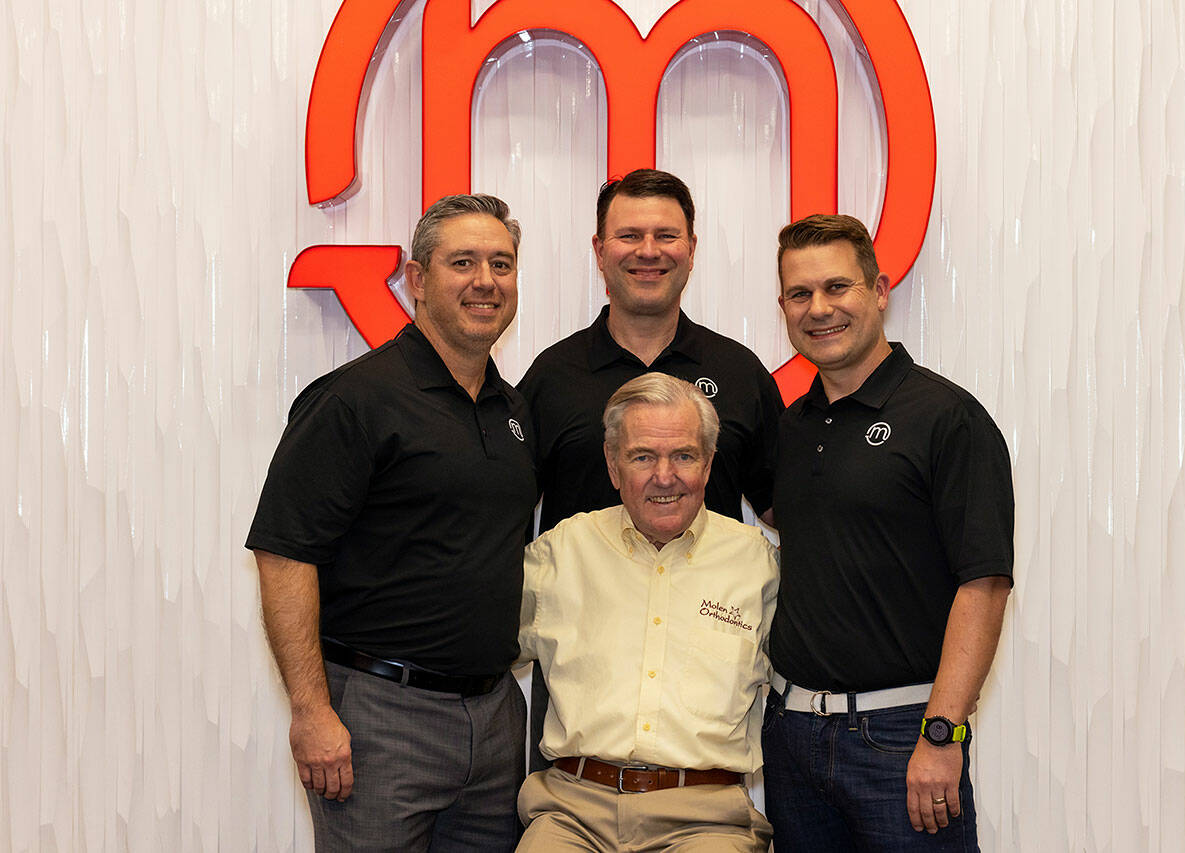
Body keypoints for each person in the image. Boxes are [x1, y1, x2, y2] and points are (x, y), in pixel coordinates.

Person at [245, 194, 537, 851]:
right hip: (381, 718)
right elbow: (285, 555)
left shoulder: (512, 409)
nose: (485, 280)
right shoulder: (354, 400)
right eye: (462, 261)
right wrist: (312, 712)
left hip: (495, 718)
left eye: (502, 263)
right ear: (416, 279)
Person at [763, 214, 1014, 851]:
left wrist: (942, 736)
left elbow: (983, 587)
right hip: (791, 738)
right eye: (800, 294)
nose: (819, 308)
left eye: (837, 287)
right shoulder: (792, 427)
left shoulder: (947, 419)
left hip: (902, 739)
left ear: (879, 291)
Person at [518, 168, 784, 770]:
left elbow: (789, 510)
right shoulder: (551, 380)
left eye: (666, 235)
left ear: (691, 250)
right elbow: (500, 517)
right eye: (628, 235)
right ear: (598, 250)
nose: (647, 251)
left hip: (699, 711)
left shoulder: (740, 376)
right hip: (580, 707)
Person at [516, 373, 778, 851]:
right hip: (573, 813)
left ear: (709, 463)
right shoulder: (561, 552)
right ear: (613, 467)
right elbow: (472, 642)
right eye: (642, 457)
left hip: (706, 821)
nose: (664, 476)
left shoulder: (757, 562)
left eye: (683, 455)